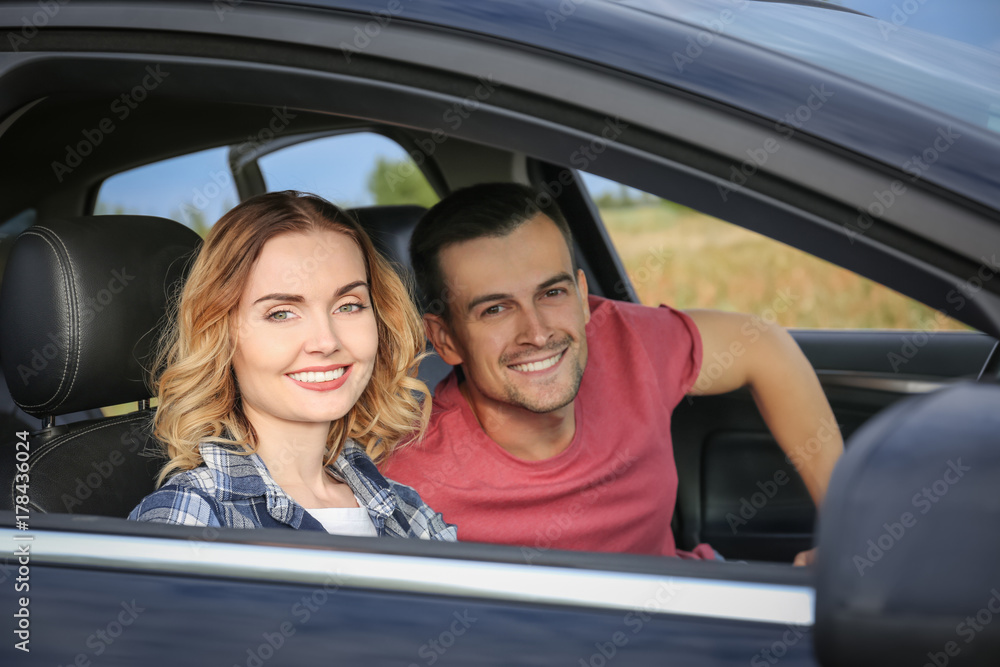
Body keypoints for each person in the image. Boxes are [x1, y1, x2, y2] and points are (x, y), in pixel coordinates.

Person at [381, 183, 842, 562]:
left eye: (552, 293)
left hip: (699, 607)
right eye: (496, 309)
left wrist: (846, 534)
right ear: (445, 339)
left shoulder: (625, 342)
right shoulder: (408, 478)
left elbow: (763, 344)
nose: (537, 333)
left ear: (583, 296)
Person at [130, 191, 455, 541]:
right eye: (281, 313)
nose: (326, 341)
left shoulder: (404, 508)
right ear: (220, 335)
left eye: (348, 305)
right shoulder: (191, 519)